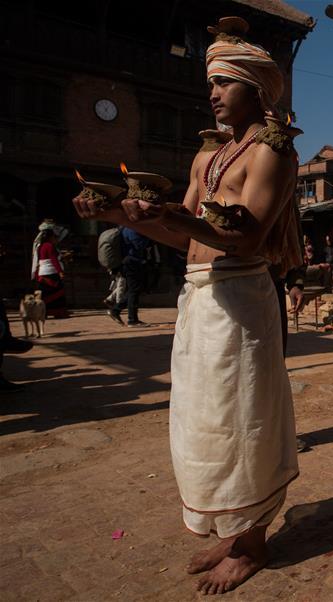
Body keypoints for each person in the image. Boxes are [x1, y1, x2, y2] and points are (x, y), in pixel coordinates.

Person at [72, 17, 301, 594]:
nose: (213, 92)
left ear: (256, 87)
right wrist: (119, 215)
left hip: (242, 297)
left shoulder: (272, 152)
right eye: (212, 82)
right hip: (200, 297)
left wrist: (170, 215)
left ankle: (253, 544)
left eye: (225, 81)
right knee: (207, 420)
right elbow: (187, 236)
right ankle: (232, 526)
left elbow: (246, 239)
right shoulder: (210, 157)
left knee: (243, 420)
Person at [107, 227, 151, 327]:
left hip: (128, 261)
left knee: (134, 289)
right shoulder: (132, 229)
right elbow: (139, 245)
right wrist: (148, 236)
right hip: (131, 262)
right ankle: (132, 319)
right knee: (134, 290)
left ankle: (116, 311)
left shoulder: (124, 228)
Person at [30, 220, 69, 319]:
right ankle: (58, 312)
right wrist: (60, 271)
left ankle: (44, 312)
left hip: (43, 273)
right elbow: (54, 259)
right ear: (50, 237)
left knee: (45, 294)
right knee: (57, 292)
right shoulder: (49, 246)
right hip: (51, 272)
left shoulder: (40, 246)